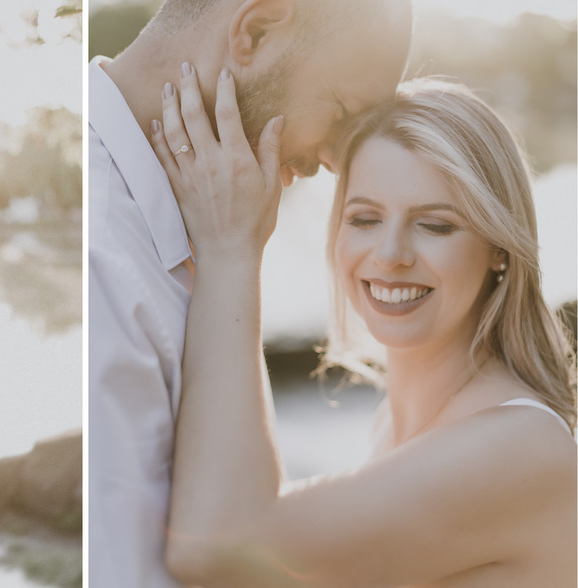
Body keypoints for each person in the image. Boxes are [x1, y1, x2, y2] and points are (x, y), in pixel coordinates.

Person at [150, 73, 577, 585]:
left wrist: (231, 250)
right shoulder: (392, 428)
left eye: (435, 225)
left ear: (499, 250)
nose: (390, 255)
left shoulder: (520, 446)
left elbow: (216, 551)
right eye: (365, 219)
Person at [87, 0, 411, 584]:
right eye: (340, 111)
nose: (337, 162)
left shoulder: (201, 228)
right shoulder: (101, 256)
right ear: (255, 31)